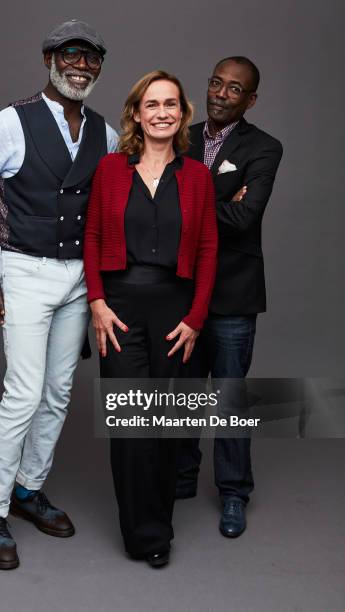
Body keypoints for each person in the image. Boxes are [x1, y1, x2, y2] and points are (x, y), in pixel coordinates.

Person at [0, 19, 118, 570]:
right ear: (49, 59)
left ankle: (27, 489)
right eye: (71, 54)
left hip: (78, 279)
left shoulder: (106, 134)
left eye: (90, 59)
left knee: (59, 390)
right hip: (24, 272)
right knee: (23, 392)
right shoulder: (8, 124)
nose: (81, 66)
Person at [84, 70, 218, 567]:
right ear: (137, 114)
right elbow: (93, 237)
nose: (162, 112)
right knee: (129, 425)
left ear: (181, 114)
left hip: (174, 311)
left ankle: (159, 529)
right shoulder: (111, 169)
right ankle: (139, 533)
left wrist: (197, 318)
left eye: (171, 104)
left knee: (162, 424)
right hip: (117, 306)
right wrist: (96, 301)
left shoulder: (198, 176)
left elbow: (207, 249)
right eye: (152, 104)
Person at [176, 56, 283, 538]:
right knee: (180, 392)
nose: (220, 93)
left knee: (228, 397)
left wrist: (182, 204)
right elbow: (152, 204)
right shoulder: (182, 136)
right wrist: (220, 202)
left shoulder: (264, 147)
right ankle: (178, 478)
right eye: (215, 83)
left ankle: (234, 493)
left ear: (251, 99)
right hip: (178, 290)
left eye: (234, 89)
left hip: (233, 295)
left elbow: (246, 218)